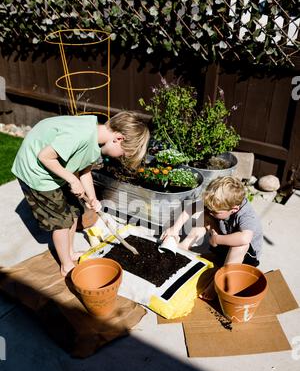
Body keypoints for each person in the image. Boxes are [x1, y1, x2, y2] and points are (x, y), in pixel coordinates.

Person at [12, 111, 150, 276]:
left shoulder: (95, 140)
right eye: (123, 154)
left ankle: (69, 254)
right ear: (118, 139)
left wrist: (92, 198)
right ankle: (66, 266)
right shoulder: (80, 134)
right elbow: (45, 156)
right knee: (61, 221)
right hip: (36, 172)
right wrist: (72, 179)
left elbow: (84, 171)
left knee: (74, 211)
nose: (121, 158)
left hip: (55, 169)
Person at [161, 176, 263, 299]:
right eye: (210, 208)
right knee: (205, 216)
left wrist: (217, 239)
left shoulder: (246, 216)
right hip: (223, 243)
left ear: (234, 209)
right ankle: (185, 246)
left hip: (245, 258)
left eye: (215, 211)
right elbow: (191, 208)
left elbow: (245, 238)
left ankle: (219, 282)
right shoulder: (218, 204)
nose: (211, 211)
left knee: (240, 245)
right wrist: (175, 229)